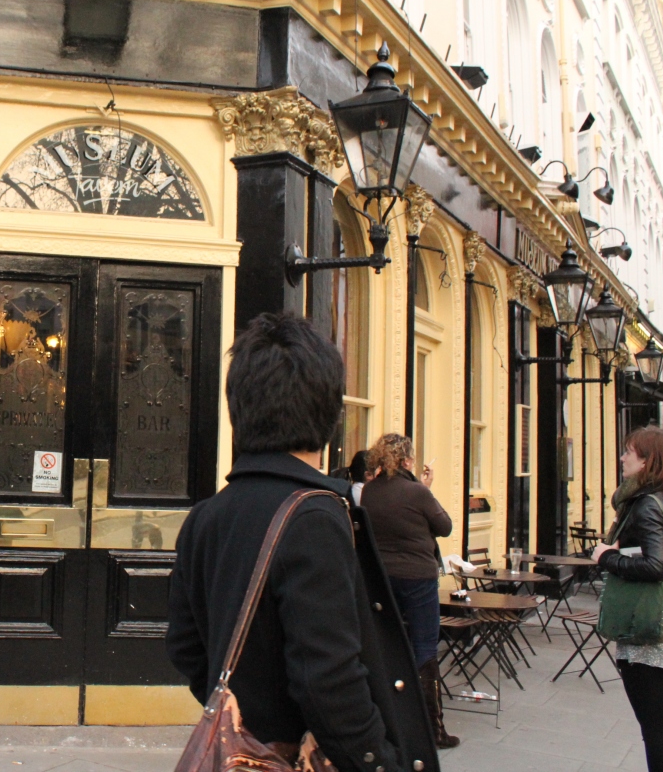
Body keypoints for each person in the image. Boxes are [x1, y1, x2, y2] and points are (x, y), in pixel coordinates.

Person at [167, 313, 437, 772]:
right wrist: (379, 762)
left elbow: (186, 647)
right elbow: (329, 679)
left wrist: (243, 720)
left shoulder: (205, 517)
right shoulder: (315, 516)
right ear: (328, 413)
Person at [592, 427, 663, 772]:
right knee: (661, 727)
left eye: (629, 452)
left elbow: (655, 566)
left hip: (651, 632)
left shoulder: (648, 504)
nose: (623, 457)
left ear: (647, 461)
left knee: (656, 731)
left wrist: (606, 557)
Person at [359, 433, 458, 749]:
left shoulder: (370, 492)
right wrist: (426, 489)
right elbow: (445, 526)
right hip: (418, 577)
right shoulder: (417, 492)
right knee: (425, 647)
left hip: (381, 578)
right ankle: (432, 728)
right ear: (405, 461)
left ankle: (390, 722)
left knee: (386, 645)